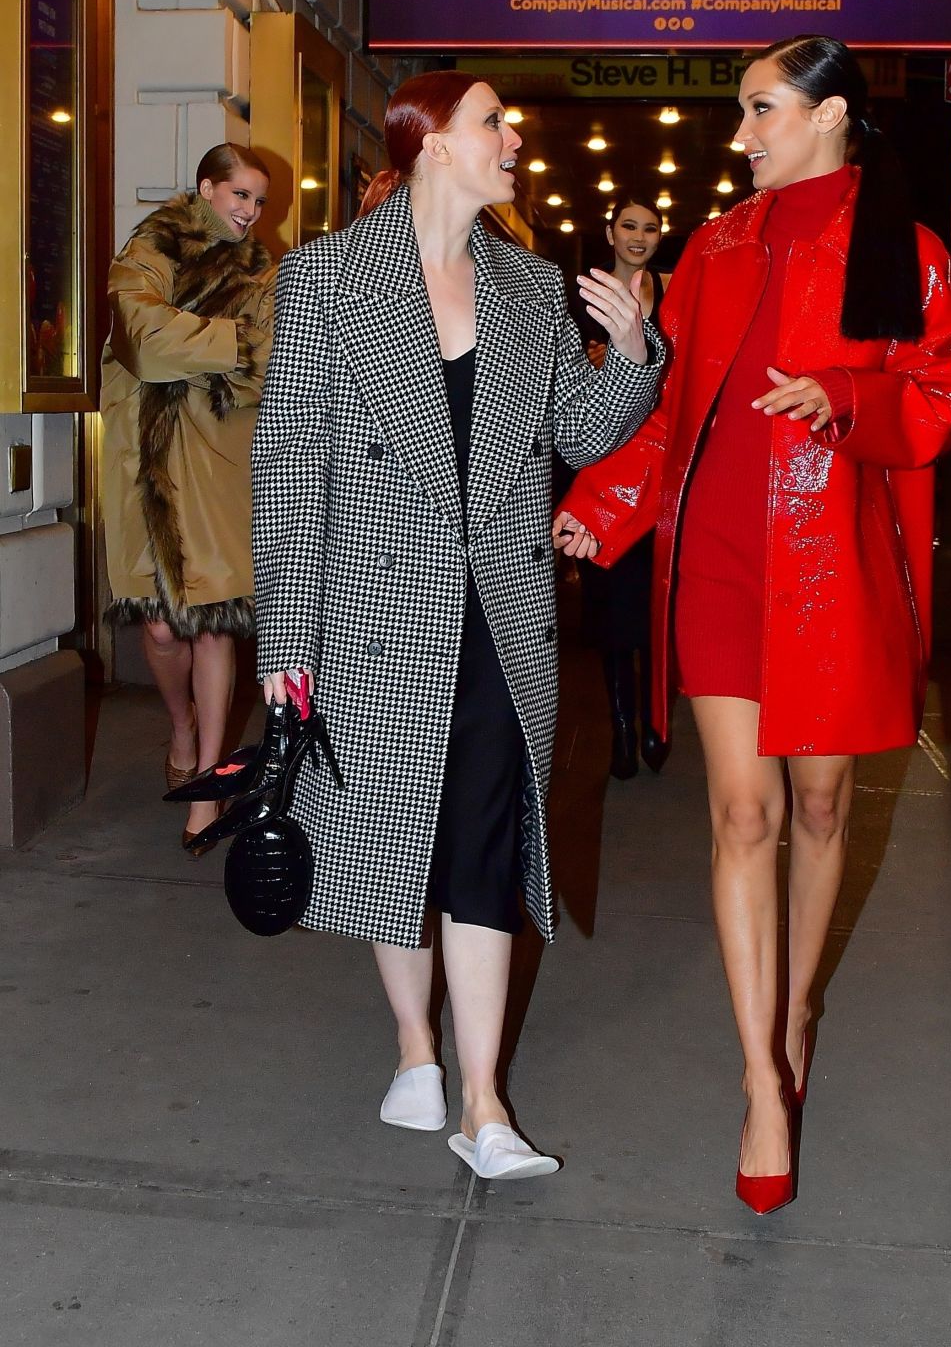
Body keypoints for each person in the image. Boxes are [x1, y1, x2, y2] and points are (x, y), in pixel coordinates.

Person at [556, 35, 951, 1214]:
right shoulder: (715, 247)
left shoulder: (906, 250)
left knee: (823, 805)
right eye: (741, 112)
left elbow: (942, 392)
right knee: (745, 812)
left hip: (834, 566)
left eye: (761, 109)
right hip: (725, 562)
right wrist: (605, 504)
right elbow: (671, 410)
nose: (740, 135)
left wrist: (842, 395)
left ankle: (794, 1014)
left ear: (831, 114)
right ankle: (759, 1081)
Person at [251, 71, 663, 1181]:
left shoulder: (528, 285)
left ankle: (484, 1103)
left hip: (501, 608)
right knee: (397, 830)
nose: (512, 137)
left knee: (484, 833)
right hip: (370, 608)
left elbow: (580, 434)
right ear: (432, 143)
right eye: (492, 122)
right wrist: (286, 636)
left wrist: (632, 356)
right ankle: (414, 1045)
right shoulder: (328, 277)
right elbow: (290, 464)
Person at [101, 143, 275, 849]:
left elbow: (269, 363)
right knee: (162, 629)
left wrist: (185, 347)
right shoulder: (151, 246)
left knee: (212, 619)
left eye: (259, 201)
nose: (251, 211)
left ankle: (208, 780)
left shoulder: (265, 272)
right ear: (206, 189)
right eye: (240, 195)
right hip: (143, 459)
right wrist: (228, 345)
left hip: (217, 461)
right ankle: (181, 725)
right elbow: (140, 338)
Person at [577, 196, 672, 779]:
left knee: (660, 604)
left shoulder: (675, 293)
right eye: (629, 226)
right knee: (612, 612)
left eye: (650, 228)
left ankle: (656, 722)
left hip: (662, 472)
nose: (639, 236)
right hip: (603, 475)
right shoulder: (578, 295)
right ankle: (620, 731)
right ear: (609, 232)